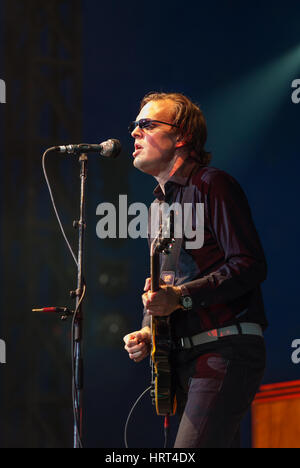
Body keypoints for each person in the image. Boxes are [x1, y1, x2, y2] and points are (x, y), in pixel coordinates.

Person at [123, 92, 267, 448]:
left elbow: (249, 264)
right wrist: (147, 330)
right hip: (186, 359)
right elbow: (165, 284)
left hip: (224, 349)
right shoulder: (156, 209)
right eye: (134, 125)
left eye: (147, 124)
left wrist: (180, 298)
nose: (134, 133)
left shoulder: (211, 185)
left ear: (181, 136)